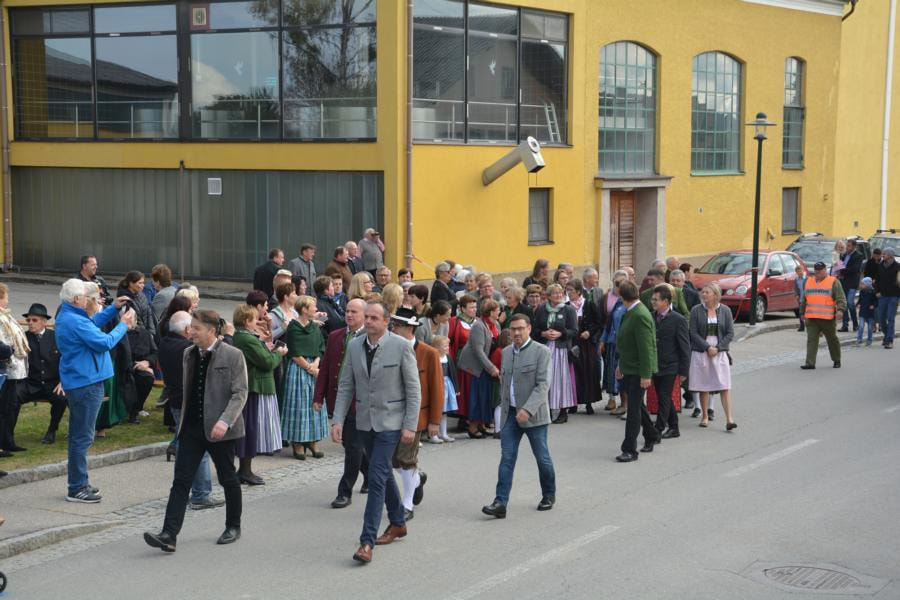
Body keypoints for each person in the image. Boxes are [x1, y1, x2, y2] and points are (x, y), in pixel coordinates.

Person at [144, 309, 248, 552]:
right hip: (191, 428)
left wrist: (225, 421)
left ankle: (233, 526)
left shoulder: (233, 355)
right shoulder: (188, 353)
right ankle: (169, 534)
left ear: (212, 331)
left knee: (228, 477)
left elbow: (240, 393)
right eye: (190, 327)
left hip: (220, 430)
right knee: (181, 481)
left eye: (196, 328)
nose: (191, 331)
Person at [331, 301, 421, 564]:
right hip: (364, 421)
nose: (368, 321)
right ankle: (398, 522)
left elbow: (413, 389)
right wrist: (337, 420)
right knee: (382, 472)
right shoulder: (355, 345)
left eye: (374, 318)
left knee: (376, 477)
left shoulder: (401, 346)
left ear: (386, 321)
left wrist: (410, 425)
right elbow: (346, 385)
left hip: (392, 422)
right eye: (367, 317)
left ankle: (366, 542)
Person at [55, 279, 134, 502]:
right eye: (86, 297)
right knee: (82, 438)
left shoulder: (71, 315)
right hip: (86, 383)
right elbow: (104, 342)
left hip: (83, 381)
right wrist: (123, 325)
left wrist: (113, 309)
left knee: (80, 436)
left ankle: (79, 483)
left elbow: (92, 325)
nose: (90, 300)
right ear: (76, 299)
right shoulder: (74, 320)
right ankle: (77, 487)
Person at [481, 314, 555, 518]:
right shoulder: (506, 352)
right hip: (510, 415)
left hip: (534, 415)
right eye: (513, 329)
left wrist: (528, 409)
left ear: (529, 329)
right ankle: (500, 502)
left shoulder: (542, 352)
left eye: (520, 328)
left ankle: (549, 494)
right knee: (507, 458)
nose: (516, 333)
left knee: (542, 457)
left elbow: (543, 385)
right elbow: (505, 383)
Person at [157, 311, 221, 510]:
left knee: (184, 448)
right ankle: (201, 494)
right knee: (199, 449)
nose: (194, 331)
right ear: (186, 329)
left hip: (176, 400)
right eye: (193, 327)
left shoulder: (165, 343)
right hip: (189, 402)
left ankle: (182, 491)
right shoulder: (186, 349)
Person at [385, 307, 442, 523]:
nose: (393, 329)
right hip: (391, 414)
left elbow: (437, 389)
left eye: (396, 326)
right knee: (392, 461)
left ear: (409, 328)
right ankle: (417, 479)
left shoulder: (428, 353)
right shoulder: (388, 348)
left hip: (417, 416)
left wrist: (435, 421)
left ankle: (407, 504)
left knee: (406, 459)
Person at [315, 299, 370, 509]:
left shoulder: (369, 337)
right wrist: (318, 396)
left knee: (353, 446)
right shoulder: (336, 336)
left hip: (360, 401)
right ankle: (370, 474)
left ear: (364, 315)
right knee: (350, 444)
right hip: (338, 398)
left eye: (354, 312)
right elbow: (326, 368)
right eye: (347, 311)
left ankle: (344, 492)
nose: (349, 315)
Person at [232, 305, 287, 486]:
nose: (258, 322)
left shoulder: (245, 337)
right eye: (255, 319)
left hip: (255, 386)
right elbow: (266, 362)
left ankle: (245, 469)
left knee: (251, 429)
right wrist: (278, 353)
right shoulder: (246, 339)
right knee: (250, 429)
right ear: (247, 321)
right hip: (255, 387)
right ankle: (245, 470)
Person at [613, 281, 659, 462]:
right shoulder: (631, 312)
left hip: (639, 370)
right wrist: (621, 365)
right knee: (638, 405)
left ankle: (630, 450)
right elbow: (627, 344)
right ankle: (652, 434)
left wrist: (646, 375)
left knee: (633, 410)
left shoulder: (640, 315)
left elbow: (646, 348)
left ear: (621, 296)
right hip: (630, 367)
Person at [281, 295, 327, 460]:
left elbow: (320, 347)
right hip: (299, 369)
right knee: (299, 406)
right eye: (313, 306)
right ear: (304, 309)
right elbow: (293, 352)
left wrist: (316, 364)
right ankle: (298, 442)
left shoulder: (315, 327)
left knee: (315, 404)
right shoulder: (293, 328)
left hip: (314, 368)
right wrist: (308, 367)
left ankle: (313, 440)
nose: (316, 309)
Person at [689, 284, 737, 430]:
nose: (703, 294)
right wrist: (707, 347)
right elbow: (693, 332)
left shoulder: (725, 310)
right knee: (703, 385)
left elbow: (730, 333)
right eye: (702, 292)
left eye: (707, 292)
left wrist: (718, 347)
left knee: (724, 385)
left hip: (719, 352)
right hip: (701, 351)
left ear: (715, 295)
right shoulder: (696, 310)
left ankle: (729, 419)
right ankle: (704, 416)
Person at [18, 304, 67, 445]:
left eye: (34, 320)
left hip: (52, 384)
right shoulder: (23, 337)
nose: (30, 323)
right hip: (30, 384)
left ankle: (51, 431)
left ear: (44, 322)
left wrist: (63, 381)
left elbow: (67, 359)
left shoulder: (56, 337)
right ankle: (6, 437)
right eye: (28, 320)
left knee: (61, 398)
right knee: (12, 397)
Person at [532, 284, 577, 424]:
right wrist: (543, 333)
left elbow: (574, 331)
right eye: (555, 293)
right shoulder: (541, 309)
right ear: (549, 296)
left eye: (560, 293)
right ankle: (548, 411)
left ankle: (563, 412)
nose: (558, 295)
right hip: (544, 348)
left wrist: (561, 333)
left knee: (561, 380)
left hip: (561, 349)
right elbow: (534, 329)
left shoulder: (569, 310)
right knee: (545, 379)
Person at [650, 285, 690, 438]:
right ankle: (674, 427)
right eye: (652, 299)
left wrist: (684, 371)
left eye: (656, 300)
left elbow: (684, 347)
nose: (653, 302)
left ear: (666, 301)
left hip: (671, 365)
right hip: (656, 365)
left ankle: (658, 429)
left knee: (664, 396)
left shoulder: (678, 319)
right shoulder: (650, 316)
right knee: (663, 396)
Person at [458, 299, 501, 438]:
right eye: (497, 310)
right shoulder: (479, 325)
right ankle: (472, 428)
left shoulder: (495, 325)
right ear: (490, 312)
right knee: (476, 397)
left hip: (484, 366)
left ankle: (481, 425)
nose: (499, 312)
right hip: (474, 367)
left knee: (484, 396)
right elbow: (478, 351)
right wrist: (491, 368)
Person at [0, 285, 30, 455]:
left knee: (10, 407)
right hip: (6, 369)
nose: (8, 300)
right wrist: (10, 352)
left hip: (12, 370)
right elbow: (4, 343)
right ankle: (2, 444)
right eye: (5, 297)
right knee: (3, 409)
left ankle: (8, 441)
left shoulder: (5, 315)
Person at [800, 261, 847, 368]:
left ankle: (836, 359)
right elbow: (804, 299)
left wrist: (840, 310)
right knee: (811, 340)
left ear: (825, 270)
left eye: (820, 271)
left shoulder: (833, 282)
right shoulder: (808, 281)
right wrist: (802, 312)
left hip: (827, 318)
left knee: (832, 339)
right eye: (816, 271)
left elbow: (841, 298)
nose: (818, 273)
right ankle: (810, 363)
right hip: (811, 317)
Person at [566, 279, 600, 414]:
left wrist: (589, 332)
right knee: (573, 373)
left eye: (571, 291)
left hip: (586, 344)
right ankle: (573, 403)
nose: (569, 293)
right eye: (567, 290)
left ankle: (588, 402)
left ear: (579, 291)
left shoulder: (589, 305)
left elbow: (598, 322)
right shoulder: (566, 306)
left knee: (588, 372)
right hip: (572, 343)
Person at [125, 311, 158, 424]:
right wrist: (135, 366)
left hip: (142, 367)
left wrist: (147, 362)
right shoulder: (115, 334)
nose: (128, 321)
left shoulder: (145, 333)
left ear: (135, 319)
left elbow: (155, 352)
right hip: (122, 368)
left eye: (130, 318)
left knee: (147, 378)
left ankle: (136, 409)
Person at [431, 336, 458, 443]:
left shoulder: (448, 358)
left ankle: (444, 433)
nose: (447, 348)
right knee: (436, 410)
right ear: (437, 347)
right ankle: (433, 435)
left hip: (447, 386)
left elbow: (453, 373)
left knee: (444, 411)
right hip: (437, 385)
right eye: (445, 346)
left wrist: (456, 388)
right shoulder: (434, 358)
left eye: (448, 345)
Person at [874, 248, 900, 349]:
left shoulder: (897, 267)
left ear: (890, 255)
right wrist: (877, 291)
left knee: (890, 318)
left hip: (894, 296)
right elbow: (877, 280)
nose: (882, 255)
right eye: (883, 253)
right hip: (883, 296)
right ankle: (886, 335)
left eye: (885, 254)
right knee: (881, 318)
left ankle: (889, 340)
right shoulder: (880, 266)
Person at [838, 239, 863, 332]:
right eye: (847, 245)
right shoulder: (844, 255)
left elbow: (855, 269)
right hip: (843, 282)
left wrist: (842, 270)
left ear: (854, 246)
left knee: (850, 302)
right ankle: (845, 325)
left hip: (852, 282)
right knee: (844, 303)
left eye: (849, 245)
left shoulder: (858, 255)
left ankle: (855, 323)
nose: (847, 247)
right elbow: (840, 265)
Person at [857, 277, 878, 346]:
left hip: (870, 313)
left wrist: (873, 306)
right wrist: (858, 304)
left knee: (870, 328)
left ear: (867, 284)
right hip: (862, 312)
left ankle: (869, 340)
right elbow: (860, 300)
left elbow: (876, 301)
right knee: (861, 326)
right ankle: (859, 340)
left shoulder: (873, 292)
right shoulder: (862, 292)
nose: (861, 285)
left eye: (862, 284)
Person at [794, 264, 809, 332]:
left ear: (803, 270)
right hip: (801, 298)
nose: (799, 273)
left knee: (808, 312)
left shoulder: (807, 278)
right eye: (797, 272)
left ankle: (808, 325)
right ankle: (802, 326)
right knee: (801, 312)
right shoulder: (796, 279)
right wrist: (796, 294)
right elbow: (796, 288)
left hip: (807, 298)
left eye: (800, 271)